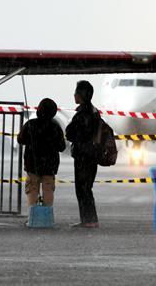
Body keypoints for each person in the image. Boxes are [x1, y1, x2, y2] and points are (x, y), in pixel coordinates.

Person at [18, 98, 66, 208]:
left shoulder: (30, 124)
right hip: (50, 165)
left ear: (38, 110)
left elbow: (20, 140)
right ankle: (47, 216)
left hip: (32, 164)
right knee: (48, 190)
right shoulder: (55, 128)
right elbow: (62, 147)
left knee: (32, 189)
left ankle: (33, 216)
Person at [65, 80, 101, 228]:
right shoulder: (94, 111)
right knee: (87, 187)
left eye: (76, 93)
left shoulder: (82, 114)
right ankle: (89, 219)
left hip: (83, 155)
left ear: (81, 95)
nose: (74, 95)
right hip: (92, 154)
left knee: (82, 188)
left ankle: (89, 220)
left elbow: (71, 133)